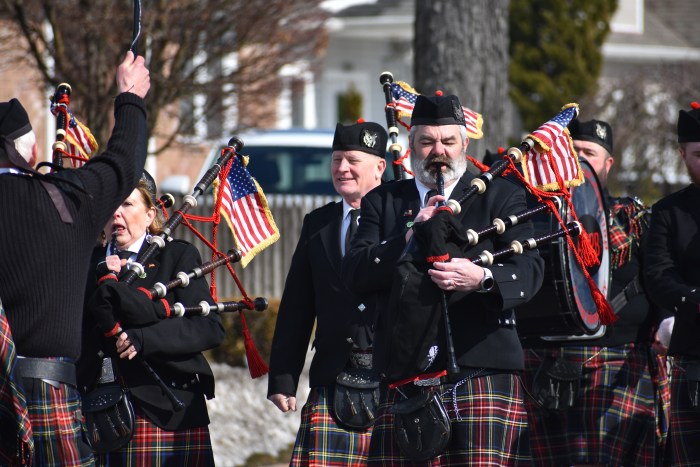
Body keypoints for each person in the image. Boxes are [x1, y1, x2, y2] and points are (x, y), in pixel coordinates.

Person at [342, 94, 545, 465]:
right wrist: (406, 236)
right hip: (405, 377)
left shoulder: (502, 197)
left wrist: (482, 277)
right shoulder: (383, 202)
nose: (439, 151)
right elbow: (354, 272)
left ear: (465, 145)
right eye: (427, 141)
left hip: (481, 368)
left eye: (449, 141)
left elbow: (532, 271)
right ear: (411, 145)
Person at [0, 51, 149, 466]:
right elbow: (123, 161)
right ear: (30, 155)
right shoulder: (66, 198)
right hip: (50, 394)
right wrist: (130, 97)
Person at [520, 118, 670, 466]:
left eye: (589, 153)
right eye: (574, 153)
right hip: (540, 363)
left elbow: (661, 282)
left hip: (616, 363)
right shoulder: (531, 216)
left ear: (608, 163)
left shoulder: (634, 221)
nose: (581, 160)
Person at [78, 173, 225, 465]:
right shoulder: (84, 262)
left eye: (128, 204)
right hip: (96, 414)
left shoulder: (175, 257)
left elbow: (209, 327)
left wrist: (144, 339)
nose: (116, 213)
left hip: (165, 410)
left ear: (149, 215)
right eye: (111, 205)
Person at [267, 120, 387, 466]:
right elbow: (297, 305)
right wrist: (284, 377)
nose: (342, 169)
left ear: (380, 167)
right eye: (336, 160)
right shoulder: (318, 223)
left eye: (352, 160)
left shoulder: (403, 219)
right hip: (331, 374)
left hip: (390, 374)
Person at [645, 102, 700, 466]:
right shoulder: (668, 212)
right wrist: (694, 299)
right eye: (698, 154)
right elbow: (658, 274)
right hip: (694, 349)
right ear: (682, 154)